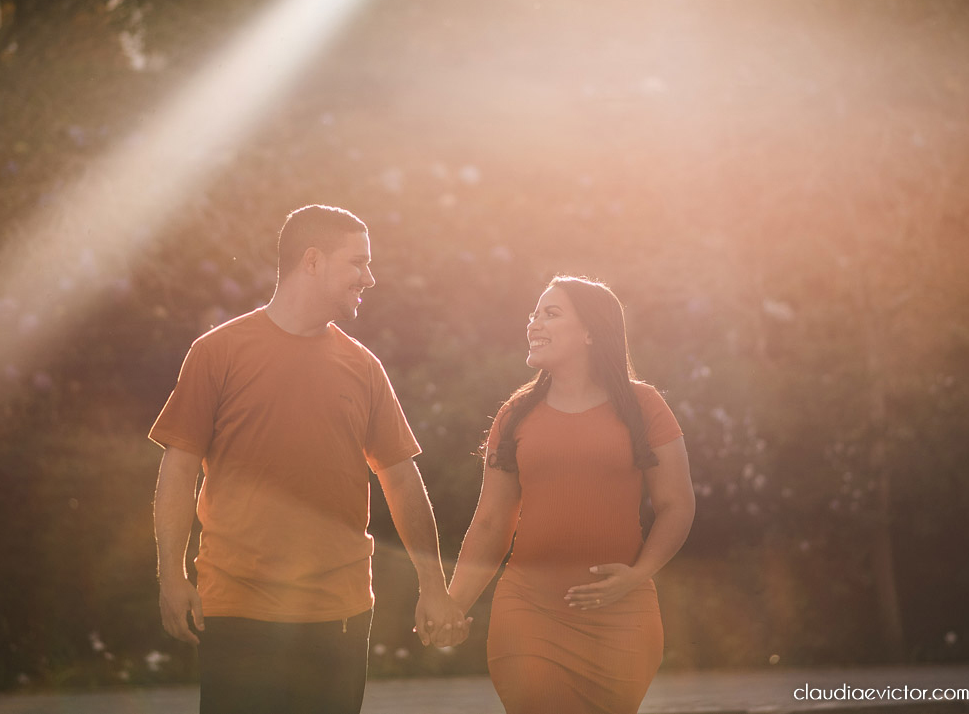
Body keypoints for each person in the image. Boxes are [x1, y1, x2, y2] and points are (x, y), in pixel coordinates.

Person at [149, 204, 466, 714]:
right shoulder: (217, 352)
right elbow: (178, 469)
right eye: (357, 263)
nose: (370, 278)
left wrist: (434, 587)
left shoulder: (362, 367)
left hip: (337, 612)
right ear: (313, 262)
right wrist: (170, 577)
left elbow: (402, 480)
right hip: (237, 607)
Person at [445, 275, 696, 714]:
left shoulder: (644, 406)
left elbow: (677, 505)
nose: (533, 324)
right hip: (528, 612)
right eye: (534, 314)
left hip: (622, 616)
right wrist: (452, 605)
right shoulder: (514, 414)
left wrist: (639, 575)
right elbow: (490, 522)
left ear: (590, 332)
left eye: (550, 313)